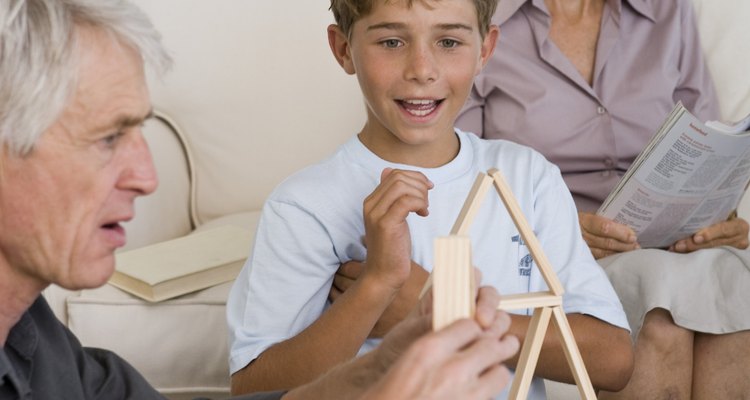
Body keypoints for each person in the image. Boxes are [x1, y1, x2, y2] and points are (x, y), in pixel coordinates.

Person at [0, 0, 519, 399]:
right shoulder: (307, 203)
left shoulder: (42, 346)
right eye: (108, 137)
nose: (146, 176)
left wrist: (379, 374)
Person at [227, 0, 634, 398]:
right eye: (391, 42)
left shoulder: (529, 178)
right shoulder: (304, 206)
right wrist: (377, 285)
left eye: (449, 42)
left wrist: (447, 313)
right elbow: (253, 388)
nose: (421, 70)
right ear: (343, 49)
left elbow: (613, 360)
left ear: (485, 50)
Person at [454, 0, 750, 398]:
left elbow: (710, 142)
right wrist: (557, 226)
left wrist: (721, 217)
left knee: (735, 284)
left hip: (671, 243)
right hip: (554, 253)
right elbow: (457, 182)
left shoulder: (667, 10)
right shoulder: (475, 17)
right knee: (661, 311)